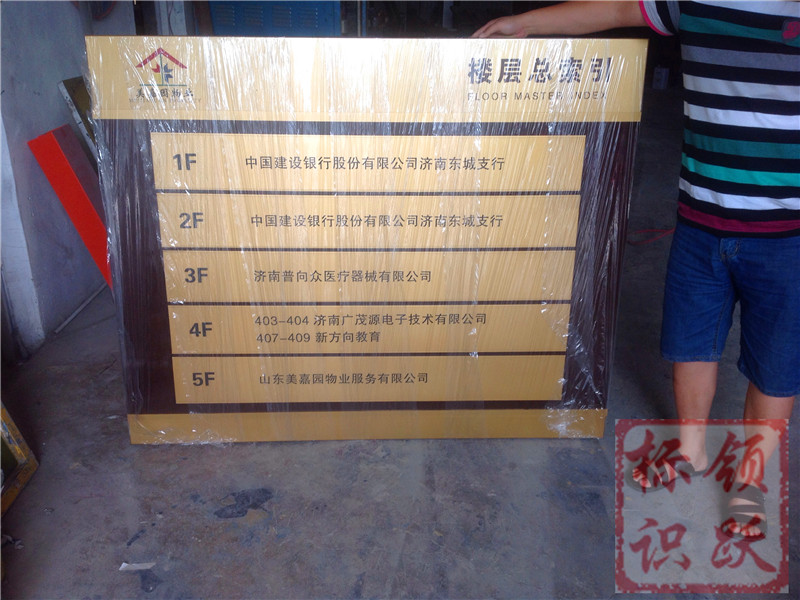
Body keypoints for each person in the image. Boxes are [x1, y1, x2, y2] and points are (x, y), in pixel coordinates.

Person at [475, 1, 799, 541]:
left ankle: (750, 481)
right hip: (699, 220)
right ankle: (691, 450)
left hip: (787, 237)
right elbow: (618, 8)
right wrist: (525, 23)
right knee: (689, 347)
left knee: (775, 366)